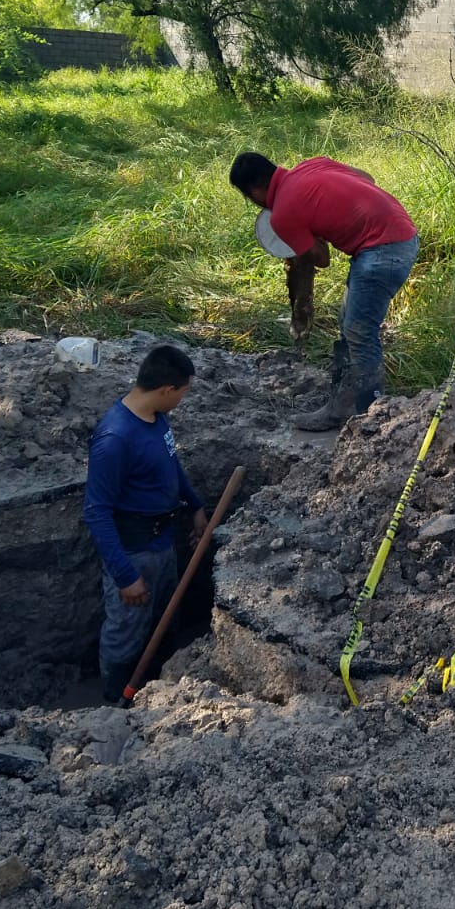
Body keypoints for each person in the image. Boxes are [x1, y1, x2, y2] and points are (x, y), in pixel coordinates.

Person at [230, 150, 419, 430]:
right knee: (348, 324)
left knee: (359, 332)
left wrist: (311, 234)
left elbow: (321, 259)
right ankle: (341, 407)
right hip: (401, 233)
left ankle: (372, 420)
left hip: (382, 251)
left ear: (255, 190)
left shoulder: (282, 214)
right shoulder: (312, 165)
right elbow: (368, 178)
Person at [83, 344, 207, 703]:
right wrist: (125, 575)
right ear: (167, 389)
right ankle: (114, 701)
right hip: (133, 551)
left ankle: (159, 692)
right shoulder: (115, 439)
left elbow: (171, 466)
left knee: (165, 620)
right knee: (126, 632)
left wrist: (195, 506)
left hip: (163, 542)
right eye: (183, 393)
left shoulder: (156, 418)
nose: (182, 400)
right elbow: (97, 511)